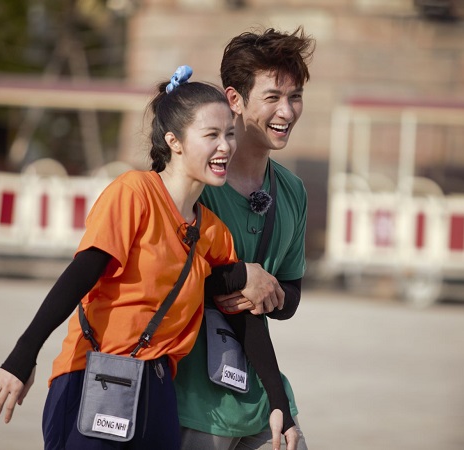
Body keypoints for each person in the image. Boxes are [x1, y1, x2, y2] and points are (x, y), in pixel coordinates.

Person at [0, 66, 297, 450]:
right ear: (174, 141)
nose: (225, 146)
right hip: (95, 374)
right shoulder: (134, 194)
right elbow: (78, 276)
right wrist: (22, 357)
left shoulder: (213, 231)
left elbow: (241, 316)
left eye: (230, 134)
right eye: (211, 135)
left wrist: (279, 402)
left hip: (159, 391)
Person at [175, 26, 315, 450]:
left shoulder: (292, 191)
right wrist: (241, 278)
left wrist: (266, 288)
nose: (286, 111)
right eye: (272, 97)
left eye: (295, 97)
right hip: (192, 403)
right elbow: (162, 275)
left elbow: (290, 295)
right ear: (234, 100)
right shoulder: (194, 182)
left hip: (263, 397)